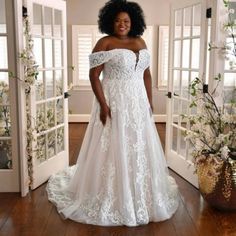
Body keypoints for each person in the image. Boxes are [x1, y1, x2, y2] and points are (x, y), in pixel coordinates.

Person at [46, 0, 179, 226]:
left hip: (137, 103)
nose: (122, 24)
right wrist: (103, 105)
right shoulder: (105, 42)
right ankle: (111, 193)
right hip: (115, 101)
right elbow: (93, 76)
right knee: (112, 144)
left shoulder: (140, 41)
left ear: (133, 22)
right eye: (117, 20)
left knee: (137, 143)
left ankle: (139, 191)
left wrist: (150, 100)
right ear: (110, 21)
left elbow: (146, 74)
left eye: (126, 21)